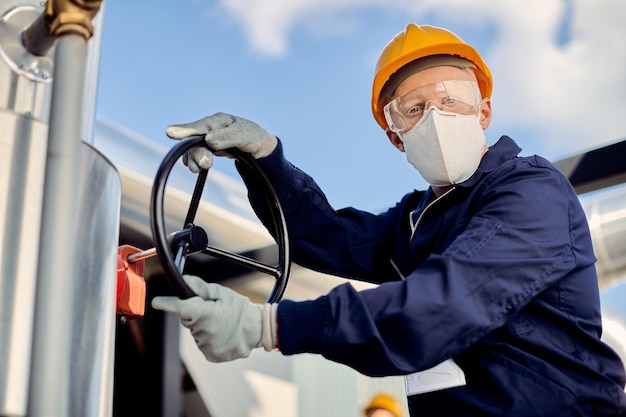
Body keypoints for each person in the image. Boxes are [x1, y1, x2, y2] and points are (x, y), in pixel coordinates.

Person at [151, 23, 626, 416]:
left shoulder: (530, 190)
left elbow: (448, 300)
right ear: (396, 137)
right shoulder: (417, 220)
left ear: (484, 109)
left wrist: (271, 325)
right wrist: (265, 159)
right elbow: (327, 236)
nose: (436, 117)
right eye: (414, 109)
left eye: (452, 98)